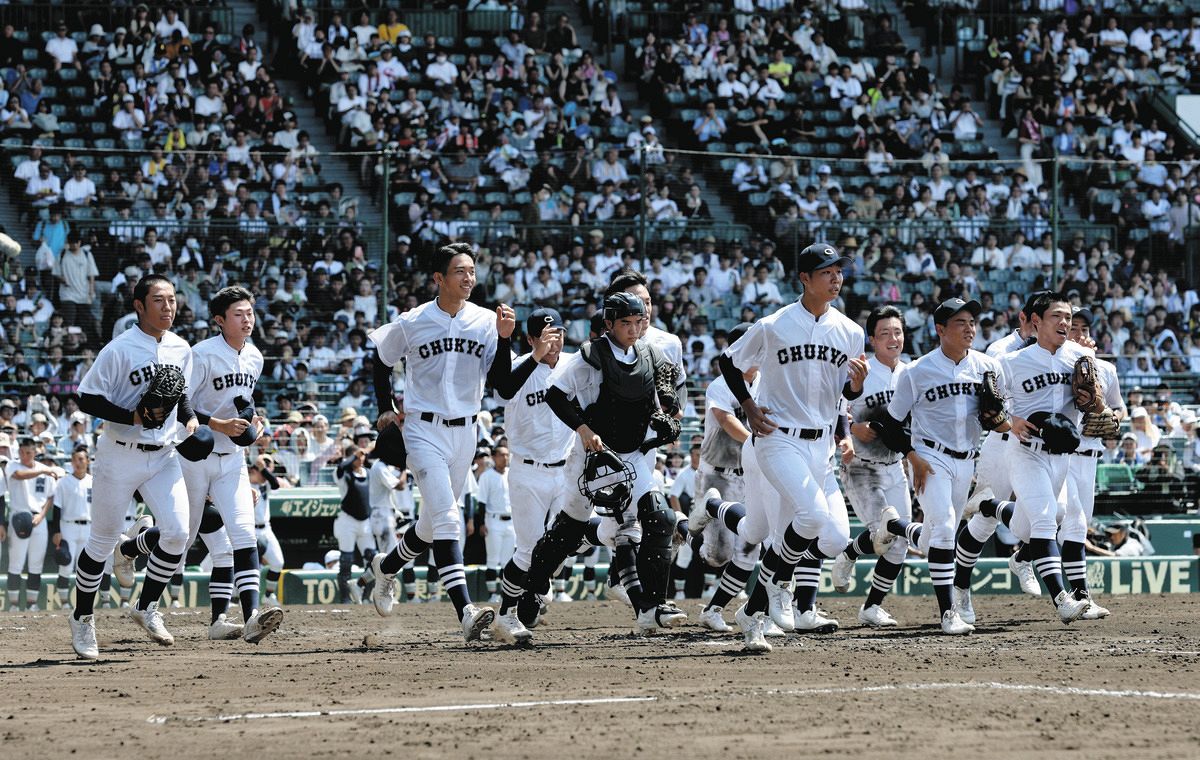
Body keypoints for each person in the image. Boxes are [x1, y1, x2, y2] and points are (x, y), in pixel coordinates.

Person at [694, 243, 868, 650]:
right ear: (804, 278)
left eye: (839, 271)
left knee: (813, 536)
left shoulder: (850, 331)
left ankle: (752, 610)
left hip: (820, 446)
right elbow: (728, 362)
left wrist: (856, 386)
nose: (836, 278)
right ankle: (762, 610)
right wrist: (749, 406)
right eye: (826, 272)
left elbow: (843, 390)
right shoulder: (773, 324)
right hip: (778, 439)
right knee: (810, 517)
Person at [368, 242, 518, 643]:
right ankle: (466, 612)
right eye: (459, 271)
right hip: (422, 428)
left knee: (433, 525)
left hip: (466, 431)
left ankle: (385, 568)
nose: (469, 278)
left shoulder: (487, 321)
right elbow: (381, 360)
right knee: (449, 518)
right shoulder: (413, 321)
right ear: (439, 278)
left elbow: (502, 384)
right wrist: (385, 406)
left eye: (471, 270)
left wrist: (504, 340)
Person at [521, 291, 683, 635]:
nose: (633, 329)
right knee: (568, 532)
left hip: (635, 453)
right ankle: (531, 590)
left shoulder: (650, 354)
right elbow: (555, 394)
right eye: (625, 323)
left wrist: (666, 419)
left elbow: (655, 402)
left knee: (660, 517)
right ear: (608, 324)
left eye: (638, 322)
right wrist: (582, 428)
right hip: (593, 455)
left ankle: (653, 607)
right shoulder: (590, 356)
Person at [69, 274, 199, 659]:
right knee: (102, 540)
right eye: (158, 300)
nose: (168, 307)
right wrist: (131, 416)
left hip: (163, 454)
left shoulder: (181, 348)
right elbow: (87, 398)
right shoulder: (119, 349)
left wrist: (190, 417)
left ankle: (145, 608)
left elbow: (180, 390)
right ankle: (81, 618)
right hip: (119, 452)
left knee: (177, 534)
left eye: (172, 299)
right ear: (139, 306)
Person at [953, 292, 1094, 625]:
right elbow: (985, 406)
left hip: (1060, 456)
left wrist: (1095, 403)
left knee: (1047, 516)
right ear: (1034, 320)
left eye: (1068, 317)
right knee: (1042, 517)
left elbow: (1095, 405)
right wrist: (1010, 421)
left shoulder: (1079, 357)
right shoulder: (1007, 358)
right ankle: (1060, 599)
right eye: (1057, 316)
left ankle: (1003, 526)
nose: (1065, 323)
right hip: (1017, 448)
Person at [871, 298, 1008, 635]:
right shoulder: (917, 371)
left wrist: (1002, 420)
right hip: (929, 458)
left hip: (966, 461)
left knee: (934, 537)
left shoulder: (988, 367)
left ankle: (898, 527)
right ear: (940, 329)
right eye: (961, 322)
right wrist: (912, 457)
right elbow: (888, 424)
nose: (970, 328)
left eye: (972, 322)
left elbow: (1000, 419)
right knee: (946, 526)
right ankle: (949, 613)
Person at [177, 286, 279, 642]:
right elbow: (179, 404)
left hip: (231, 460)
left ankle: (251, 616)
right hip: (194, 456)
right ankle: (133, 546)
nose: (247, 319)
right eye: (238, 313)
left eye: (250, 312)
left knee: (242, 534)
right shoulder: (201, 354)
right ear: (219, 320)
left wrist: (255, 421)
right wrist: (217, 425)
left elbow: (243, 403)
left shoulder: (255, 356)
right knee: (180, 538)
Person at [490, 308, 572, 644]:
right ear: (531, 339)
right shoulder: (519, 366)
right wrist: (535, 356)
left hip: (567, 469)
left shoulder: (574, 364)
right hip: (528, 471)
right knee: (527, 551)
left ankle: (538, 586)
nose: (554, 340)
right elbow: (503, 390)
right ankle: (506, 615)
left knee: (566, 541)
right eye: (546, 335)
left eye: (559, 333)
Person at [829, 305, 912, 627]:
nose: (893, 338)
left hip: (895, 466)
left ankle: (871, 606)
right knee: (884, 531)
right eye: (885, 333)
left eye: (897, 332)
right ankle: (849, 554)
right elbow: (838, 407)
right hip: (862, 465)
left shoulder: (910, 373)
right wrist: (851, 431)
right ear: (872, 340)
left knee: (899, 542)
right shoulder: (860, 370)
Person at [690, 323, 762, 633]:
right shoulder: (720, 385)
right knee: (717, 557)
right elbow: (726, 419)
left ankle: (714, 609)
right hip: (716, 476)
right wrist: (756, 444)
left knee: (749, 547)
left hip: (750, 476)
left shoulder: (768, 381)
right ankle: (690, 521)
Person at [1060, 306, 1125, 618]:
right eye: (1074, 327)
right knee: (1073, 522)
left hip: (1091, 457)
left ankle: (1024, 555)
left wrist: (1111, 416)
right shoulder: (1057, 366)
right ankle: (1081, 596)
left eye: (1084, 328)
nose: (1080, 334)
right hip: (1064, 456)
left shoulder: (1106, 369)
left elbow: (1119, 408)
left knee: (1077, 524)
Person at [5, 437, 63, 610]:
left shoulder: (44, 469)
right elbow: (19, 475)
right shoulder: (13, 465)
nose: (24, 456)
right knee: (16, 562)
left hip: (39, 519)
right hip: (18, 517)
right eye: (22, 452)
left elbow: (51, 495)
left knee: (36, 563)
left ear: (35, 452)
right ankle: (14, 604)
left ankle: (32, 604)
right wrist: (43, 472)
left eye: (28, 452)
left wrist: (42, 515)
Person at [50, 445, 92, 610]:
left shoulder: (94, 481)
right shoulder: (63, 482)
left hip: (89, 526)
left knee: (85, 567)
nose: (78, 462)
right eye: (74, 459)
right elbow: (57, 508)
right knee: (65, 565)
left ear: (88, 461)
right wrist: (56, 531)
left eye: (81, 459)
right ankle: (64, 602)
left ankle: (84, 603)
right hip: (68, 527)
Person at [334, 443, 372, 604]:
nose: (361, 459)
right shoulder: (343, 474)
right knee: (346, 560)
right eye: (357, 457)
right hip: (347, 521)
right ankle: (345, 598)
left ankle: (363, 591)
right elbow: (341, 466)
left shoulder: (368, 473)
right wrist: (353, 456)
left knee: (373, 559)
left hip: (366, 522)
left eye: (362, 456)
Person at [477, 444, 514, 604]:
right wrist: (481, 523)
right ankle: (493, 593)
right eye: (501, 455)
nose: (505, 458)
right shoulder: (487, 476)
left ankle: (506, 592)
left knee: (508, 561)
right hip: (493, 520)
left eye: (507, 455)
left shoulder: (512, 474)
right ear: (493, 457)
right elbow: (481, 502)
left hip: (511, 521)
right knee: (492, 559)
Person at [248, 454, 284, 602]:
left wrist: (263, 468)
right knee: (247, 567)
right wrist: (258, 466)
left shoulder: (265, 484)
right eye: (261, 470)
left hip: (266, 529)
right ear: (253, 470)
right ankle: (236, 599)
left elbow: (275, 483)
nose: (264, 474)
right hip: (249, 529)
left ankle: (268, 595)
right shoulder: (244, 482)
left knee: (277, 563)